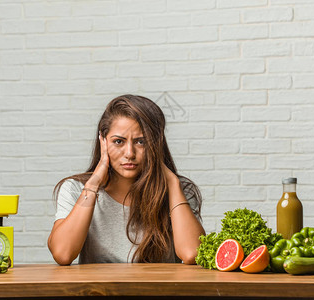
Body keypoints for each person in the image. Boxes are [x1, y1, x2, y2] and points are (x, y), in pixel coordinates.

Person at [48, 94, 205, 265]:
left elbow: (192, 254)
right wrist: (93, 184)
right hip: (98, 292)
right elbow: (63, 253)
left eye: (141, 142)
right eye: (118, 142)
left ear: (155, 145)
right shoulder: (76, 188)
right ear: (103, 142)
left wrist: (173, 183)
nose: (129, 153)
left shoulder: (180, 190)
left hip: (160, 292)